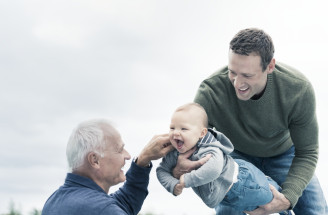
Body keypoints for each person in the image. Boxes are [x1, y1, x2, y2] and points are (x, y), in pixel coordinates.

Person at [170, 28, 328, 215]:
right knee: (228, 210)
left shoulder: (298, 90)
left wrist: (287, 198)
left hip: (284, 154)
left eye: (247, 75)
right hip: (234, 156)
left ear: (270, 66)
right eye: (232, 72)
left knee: (314, 210)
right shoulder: (210, 91)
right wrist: (181, 162)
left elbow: (307, 152)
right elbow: (192, 139)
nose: (237, 83)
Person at [157, 103, 290, 214]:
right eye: (172, 128)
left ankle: (278, 195)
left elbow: (213, 169)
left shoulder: (209, 148)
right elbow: (161, 170)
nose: (175, 132)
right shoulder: (174, 154)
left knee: (269, 198)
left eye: (184, 129)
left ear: (202, 133)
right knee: (252, 209)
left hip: (241, 182)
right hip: (226, 196)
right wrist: (172, 185)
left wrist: (187, 180)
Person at [42, 119, 175, 215]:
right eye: (120, 150)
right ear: (95, 160)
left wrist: (143, 160)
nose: (127, 155)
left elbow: (124, 203)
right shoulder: (102, 209)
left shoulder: (55, 201)